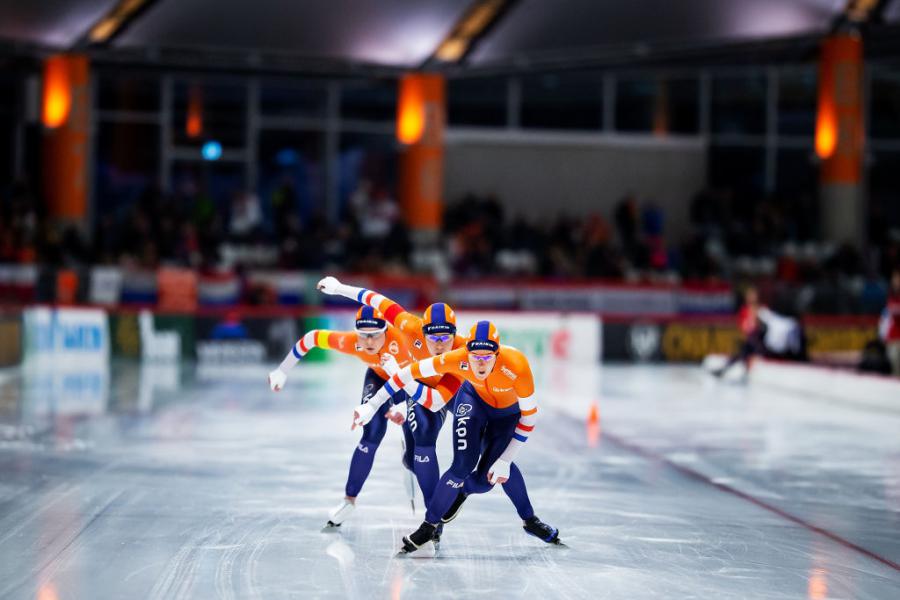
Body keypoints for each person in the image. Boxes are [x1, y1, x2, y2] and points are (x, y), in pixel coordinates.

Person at [353, 320, 562, 556]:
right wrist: (372, 405)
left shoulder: (516, 366)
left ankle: (520, 517)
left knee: (487, 480)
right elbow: (406, 374)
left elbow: (530, 418)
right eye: (475, 356)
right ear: (467, 352)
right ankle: (428, 527)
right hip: (472, 404)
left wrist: (506, 459)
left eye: (487, 356)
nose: (480, 363)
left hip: (507, 417)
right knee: (462, 465)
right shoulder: (455, 358)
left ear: (498, 352)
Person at [315, 276, 464, 519]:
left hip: (438, 391)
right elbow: (373, 299)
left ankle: (435, 510)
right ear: (421, 330)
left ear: (455, 335)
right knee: (381, 435)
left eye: (445, 337)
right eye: (431, 337)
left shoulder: (462, 353)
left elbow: (437, 399)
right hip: (411, 383)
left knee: (421, 448)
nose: (437, 344)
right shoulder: (408, 326)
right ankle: (431, 519)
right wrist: (338, 288)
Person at [268, 306, 413, 528]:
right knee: (371, 434)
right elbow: (311, 338)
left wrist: (402, 406)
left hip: (406, 378)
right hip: (378, 375)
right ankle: (349, 501)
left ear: (387, 330)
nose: (370, 341)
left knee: (415, 435)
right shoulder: (350, 341)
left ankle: (410, 458)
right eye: (364, 335)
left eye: (375, 334)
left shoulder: (400, 344)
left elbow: (409, 385)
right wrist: (283, 370)